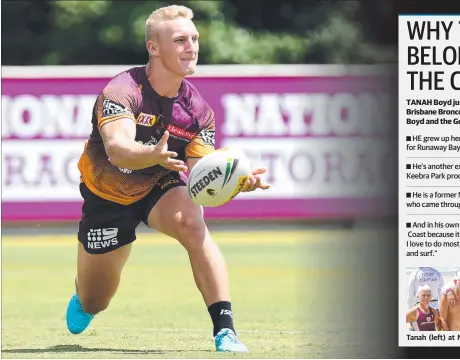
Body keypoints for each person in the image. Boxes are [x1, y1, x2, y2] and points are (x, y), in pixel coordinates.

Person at [65, 5, 269, 353]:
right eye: (179, 40)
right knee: (95, 299)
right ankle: (86, 298)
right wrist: (152, 154)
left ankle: (225, 330)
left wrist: (238, 180)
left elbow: (205, 169)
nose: (191, 47)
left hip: (160, 185)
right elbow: (117, 148)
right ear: (154, 47)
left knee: (192, 223)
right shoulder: (122, 90)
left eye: (194, 39)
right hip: (107, 194)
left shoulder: (198, 111)